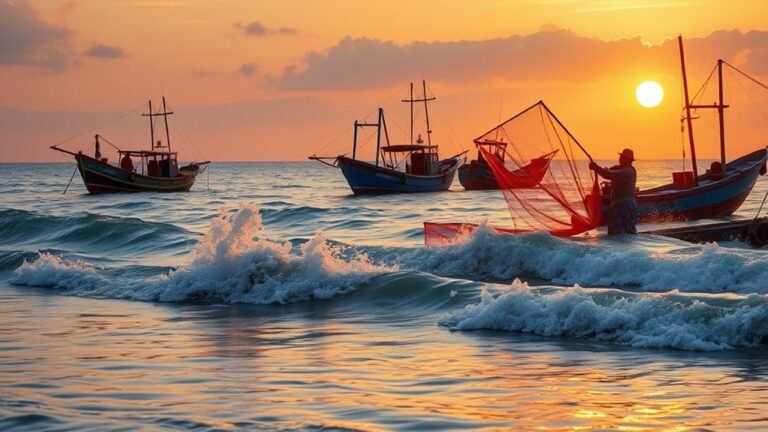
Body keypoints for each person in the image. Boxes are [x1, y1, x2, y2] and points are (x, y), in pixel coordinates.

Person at [589, 148, 637, 235]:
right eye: (621, 157)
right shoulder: (620, 168)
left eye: (623, 157)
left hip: (625, 205)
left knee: (620, 232)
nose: (620, 159)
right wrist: (598, 168)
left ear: (629, 160)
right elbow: (607, 171)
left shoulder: (628, 171)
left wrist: (596, 167)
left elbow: (608, 174)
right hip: (618, 204)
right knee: (620, 231)